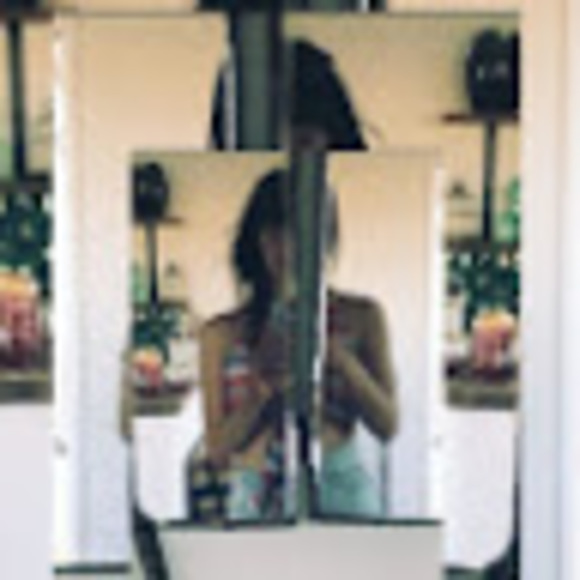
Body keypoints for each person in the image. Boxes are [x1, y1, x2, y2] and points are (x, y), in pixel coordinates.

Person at [199, 168, 398, 522]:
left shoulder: (361, 316)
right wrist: (263, 393)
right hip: (255, 493)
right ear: (256, 239)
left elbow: (388, 424)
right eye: (274, 231)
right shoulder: (221, 334)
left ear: (326, 236)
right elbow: (217, 451)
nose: (287, 246)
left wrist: (339, 359)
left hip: (339, 483)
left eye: (302, 231)